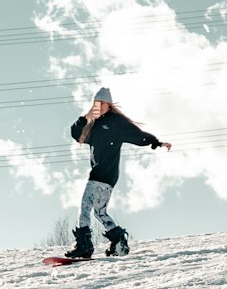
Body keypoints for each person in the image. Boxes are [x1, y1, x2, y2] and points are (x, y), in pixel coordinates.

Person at [65, 87, 171, 258]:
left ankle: (84, 246)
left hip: (101, 174)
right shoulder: (93, 124)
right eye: (96, 104)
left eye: (102, 103)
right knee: (100, 211)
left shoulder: (116, 122)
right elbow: (76, 134)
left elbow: (138, 135)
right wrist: (86, 117)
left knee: (85, 206)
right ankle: (119, 240)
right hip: (108, 177)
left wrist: (156, 142)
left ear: (109, 104)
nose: (99, 106)